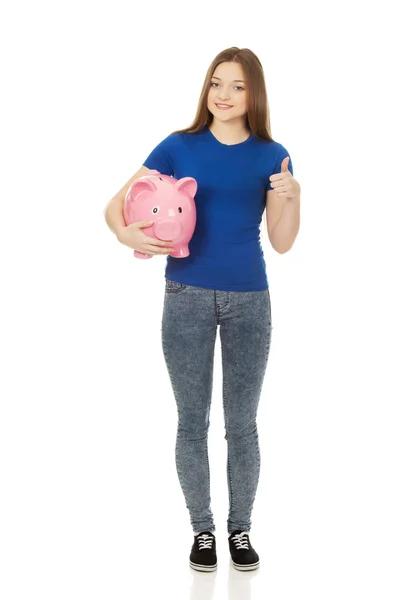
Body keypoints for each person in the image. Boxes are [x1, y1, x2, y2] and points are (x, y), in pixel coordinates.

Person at [104, 46, 301, 573]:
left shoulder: (272, 155)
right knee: (192, 420)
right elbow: (115, 205)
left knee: (242, 423)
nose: (224, 94)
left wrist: (294, 197)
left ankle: (240, 530)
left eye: (237, 85)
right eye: (217, 82)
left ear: (254, 92)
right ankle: (202, 531)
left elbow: (281, 243)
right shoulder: (177, 146)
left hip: (249, 300)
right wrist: (127, 232)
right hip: (185, 297)